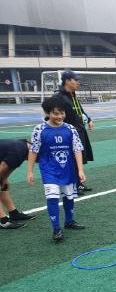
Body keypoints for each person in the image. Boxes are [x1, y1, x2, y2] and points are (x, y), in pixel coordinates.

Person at [27, 96, 86, 242]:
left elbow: (77, 150)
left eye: (62, 113)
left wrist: (80, 170)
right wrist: (30, 171)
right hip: (49, 170)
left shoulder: (70, 129)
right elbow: (33, 150)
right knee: (52, 197)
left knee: (69, 196)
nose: (60, 116)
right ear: (47, 113)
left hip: (68, 169)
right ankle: (56, 229)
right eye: (55, 113)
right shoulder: (39, 129)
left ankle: (69, 221)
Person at [55, 71, 94, 194]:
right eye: (75, 80)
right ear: (67, 81)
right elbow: (52, 114)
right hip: (67, 133)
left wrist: (89, 119)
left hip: (78, 130)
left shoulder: (73, 95)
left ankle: (78, 183)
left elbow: (80, 110)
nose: (78, 82)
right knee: (69, 159)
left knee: (79, 157)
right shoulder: (58, 97)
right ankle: (69, 185)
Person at [0, 139, 36, 229]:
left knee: (3, 185)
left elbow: (8, 168)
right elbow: (3, 167)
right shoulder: (18, 152)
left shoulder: (24, 147)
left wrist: (4, 179)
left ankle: (14, 214)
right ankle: (3, 221)